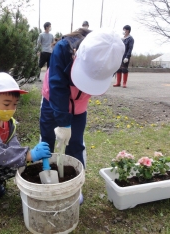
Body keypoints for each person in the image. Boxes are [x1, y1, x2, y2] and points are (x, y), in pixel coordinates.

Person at [40, 27, 124, 171]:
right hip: (52, 100)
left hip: (79, 107)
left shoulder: (111, 56)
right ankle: (44, 169)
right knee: (47, 137)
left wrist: (68, 125)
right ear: (76, 54)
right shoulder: (63, 49)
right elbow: (58, 87)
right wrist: (63, 122)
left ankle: (75, 183)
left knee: (75, 143)